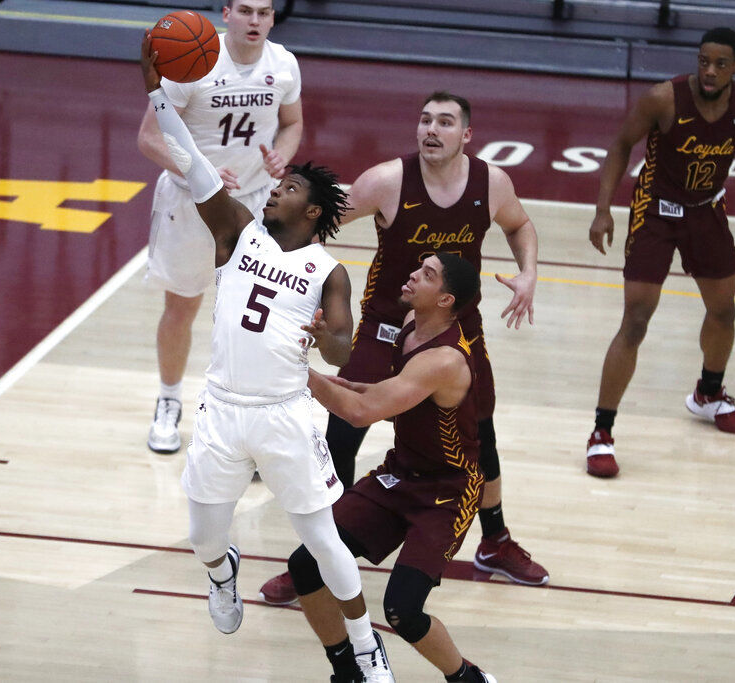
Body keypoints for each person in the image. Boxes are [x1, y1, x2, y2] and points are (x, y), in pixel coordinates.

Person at [138, 35, 393, 682]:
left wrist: (321, 333)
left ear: (311, 211)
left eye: (288, 188)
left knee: (323, 540)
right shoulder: (237, 229)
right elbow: (192, 162)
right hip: (222, 411)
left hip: (284, 415)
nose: (273, 189)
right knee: (202, 536)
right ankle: (222, 574)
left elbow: (341, 346)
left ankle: (365, 643)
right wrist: (153, 87)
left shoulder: (327, 271)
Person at [261, 91, 547, 605]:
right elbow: (312, 222)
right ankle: (323, 557)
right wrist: (290, 275)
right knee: (342, 435)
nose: (430, 130)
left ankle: (495, 542)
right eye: (424, 120)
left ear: (467, 135)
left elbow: (520, 224)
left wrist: (528, 273)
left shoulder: (492, 183)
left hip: (456, 334)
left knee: (481, 438)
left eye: (444, 122)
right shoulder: (386, 181)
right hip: (384, 330)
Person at [584, 27, 735, 478]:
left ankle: (708, 394)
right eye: (704, 60)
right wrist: (603, 209)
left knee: (724, 312)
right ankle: (601, 434)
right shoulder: (662, 99)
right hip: (656, 213)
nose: (709, 70)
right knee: (636, 320)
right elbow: (621, 145)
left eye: (720, 64)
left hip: (707, 211)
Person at [292, 253, 498, 683]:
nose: (412, 274)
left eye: (426, 274)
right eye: (418, 265)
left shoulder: (445, 359)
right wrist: (338, 384)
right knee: (306, 565)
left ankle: (466, 677)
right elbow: (392, 397)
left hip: (448, 492)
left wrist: (297, 373)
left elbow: (363, 413)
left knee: (402, 609)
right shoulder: (410, 329)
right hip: (401, 473)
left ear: (445, 299)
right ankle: (348, 669)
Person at [139, 0, 304, 454]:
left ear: (273, 18)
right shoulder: (190, 61)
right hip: (190, 203)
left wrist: (281, 154)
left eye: (265, 13)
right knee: (183, 306)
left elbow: (291, 125)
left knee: (253, 318)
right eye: (246, 11)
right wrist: (202, 171)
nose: (256, 21)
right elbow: (150, 138)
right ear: (227, 13)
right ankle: (169, 402)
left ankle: (245, 423)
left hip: (253, 205)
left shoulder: (284, 64)